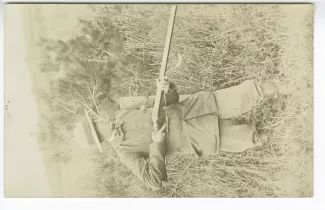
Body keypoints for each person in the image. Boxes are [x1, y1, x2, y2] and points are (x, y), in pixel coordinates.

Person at [74, 78, 289, 190]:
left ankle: (294, 86)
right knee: (255, 137)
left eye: (95, 118)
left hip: (201, 105)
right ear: (98, 137)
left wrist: (166, 88)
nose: (100, 119)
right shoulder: (125, 154)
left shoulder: (125, 110)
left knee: (252, 90)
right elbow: (153, 181)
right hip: (204, 137)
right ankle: (291, 134)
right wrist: (156, 145)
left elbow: (170, 99)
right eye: (95, 124)